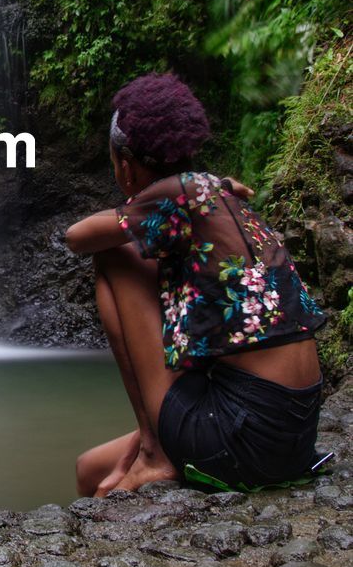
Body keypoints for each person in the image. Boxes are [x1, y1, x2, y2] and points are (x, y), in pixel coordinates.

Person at [65, 72, 327, 497]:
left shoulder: (181, 192)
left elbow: (78, 237)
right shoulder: (220, 203)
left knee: (115, 252)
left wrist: (131, 213)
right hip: (288, 441)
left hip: (241, 437)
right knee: (90, 468)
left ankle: (155, 452)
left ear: (126, 166)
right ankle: (149, 448)